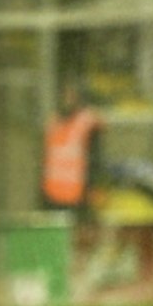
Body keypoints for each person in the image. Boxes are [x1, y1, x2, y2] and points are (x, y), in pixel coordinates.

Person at [42, 81, 104, 222]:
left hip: (79, 197)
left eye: (72, 95)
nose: (68, 99)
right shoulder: (53, 123)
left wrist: (95, 187)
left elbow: (96, 159)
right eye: (65, 95)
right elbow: (46, 161)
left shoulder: (88, 124)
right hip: (53, 195)